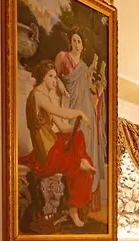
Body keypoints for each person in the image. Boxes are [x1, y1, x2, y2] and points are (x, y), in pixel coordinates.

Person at [18, 60, 95, 228]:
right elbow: (61, 112)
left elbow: (63, 126)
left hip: (52, 144)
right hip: (45, 153)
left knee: (78, 137)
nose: (55, 80)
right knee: (78, 166)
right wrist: (80, 113)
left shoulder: (45, 97)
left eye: (55, 76)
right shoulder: (37, 95)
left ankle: (81, 162)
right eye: (51, 76)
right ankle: (74, 207)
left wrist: (77, 128)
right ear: (43, 78)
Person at [54, 29, 107, 207]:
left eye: (79, 42)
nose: (77, 45)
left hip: (86, 110)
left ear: (83, 46)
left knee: (86, 150)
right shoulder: (63, 57)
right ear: (70, 42)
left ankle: (84, 198)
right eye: (74, 41)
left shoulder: (84, 67)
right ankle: (69, 198)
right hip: (70, 107)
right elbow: (54, 76)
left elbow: (89, 91)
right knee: (72, 149)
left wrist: (99, 89)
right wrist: (60, 85)